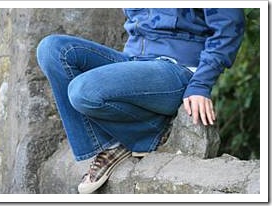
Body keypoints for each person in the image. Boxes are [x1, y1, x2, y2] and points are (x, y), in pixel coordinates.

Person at [36, 8, 245, 194]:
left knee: (83, 91)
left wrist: (201, 83)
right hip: (133, 61)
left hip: (176, 68)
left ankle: (145, 133)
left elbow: (229, 25)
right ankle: (112, 143)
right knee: (52, 48)